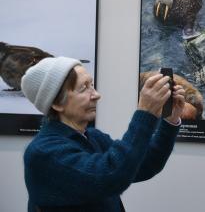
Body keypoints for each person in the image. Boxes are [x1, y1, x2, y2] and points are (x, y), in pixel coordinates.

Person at [21, 57, 185, 212]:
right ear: (57, 103)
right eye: (84, 88)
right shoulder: (43, 153)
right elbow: (110, 177)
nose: (96, 95)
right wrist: (145, 112)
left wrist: (170, 121)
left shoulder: (93, 137)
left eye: (92, 85)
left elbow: (145, 165)